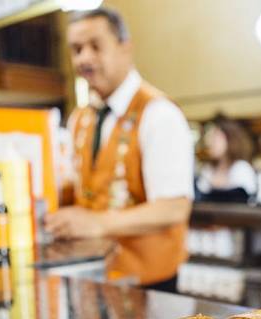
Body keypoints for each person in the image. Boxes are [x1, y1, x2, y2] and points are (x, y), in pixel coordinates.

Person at [45, 8, 194, 293]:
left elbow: (174, 208)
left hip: (149, 285)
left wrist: (97, 223)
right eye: (76, 50)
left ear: (125, 49)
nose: (84, 58)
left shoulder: (158, 113)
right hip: (94, 279)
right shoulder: (81, 117)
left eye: (95, 46)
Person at [195, 115, 257, 202]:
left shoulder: (242, 168)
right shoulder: (208, 170)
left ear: (230, 140)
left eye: (216, 137)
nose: (210, 142)